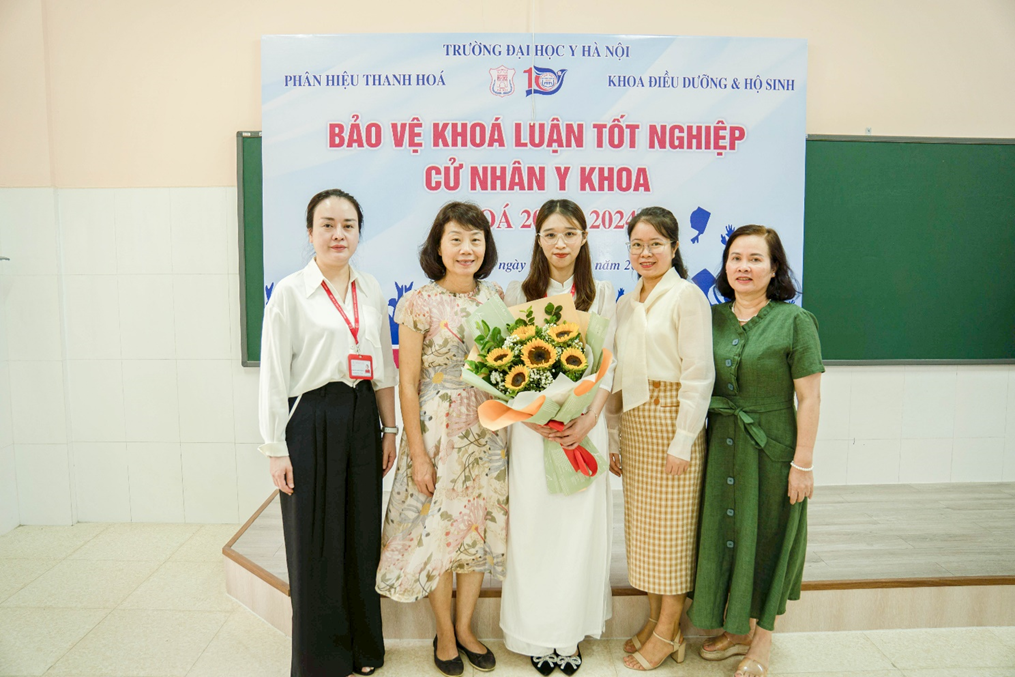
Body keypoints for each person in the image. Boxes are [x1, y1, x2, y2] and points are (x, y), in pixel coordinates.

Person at [258, 189, 398, 677]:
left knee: (360, 536)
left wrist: (390, 428)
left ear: (359, 232)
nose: (339, 234)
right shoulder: (291, 293)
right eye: (328, 224)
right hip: (310, 419)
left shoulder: (372, 289)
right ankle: (320, 659)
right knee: (313, 539)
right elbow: (273, 376)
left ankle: (364, 650)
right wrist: (276, 449)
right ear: (310, 232)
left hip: (362, 417)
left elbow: (383, 369)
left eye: (349, 225)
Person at [376, 202, 506, 677]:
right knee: (437, 535)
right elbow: (407, 382)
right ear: (438, 246)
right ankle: (445, 633)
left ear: (486, 246)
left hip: (486, 433)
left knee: (475, 531)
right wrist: (417, 454)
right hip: (434, 433)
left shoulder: (496, 299)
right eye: (456, 239)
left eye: (475, 240)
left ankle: (468, 628)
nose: (466, 249)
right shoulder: (417, 303)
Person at [688, 225, 823, 677]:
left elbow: (810, 397)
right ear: (725, 267)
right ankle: (734, 627)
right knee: (726, 534)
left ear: (775, 268)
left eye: (755, 259)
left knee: (767, 538)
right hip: (720, 442)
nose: (744, 267)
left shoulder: (795, 321)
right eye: (735, 259)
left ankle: (761, 640)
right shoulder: (710, 317)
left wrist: (802, 463)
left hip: (772, 448)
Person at [501, 199, 616, 676]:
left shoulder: (602, 293)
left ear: (584, 237)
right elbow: (505, 367)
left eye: (569, 233)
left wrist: (587, 420)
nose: (560, 243)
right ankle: (536, 634)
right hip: (531, 433)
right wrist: (531, 417)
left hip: (584, 429)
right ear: (538, 239)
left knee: (577, 533)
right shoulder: (517, 291)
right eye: (550, 234)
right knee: (534, 531)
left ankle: (567, 637)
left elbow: (611, 363)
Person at [608, 207, 715, 672]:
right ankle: (654, 620)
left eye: (655, 244)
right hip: (634, 423)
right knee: (646, 534)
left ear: (674, 247)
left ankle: (670, 633)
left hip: (672, 420)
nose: (645, 252)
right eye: (637, 244)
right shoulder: (626, 302)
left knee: (673, 536)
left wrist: (683, 440)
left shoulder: (687, 296)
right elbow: (614, 374)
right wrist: (612, 436)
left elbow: (699, 374)